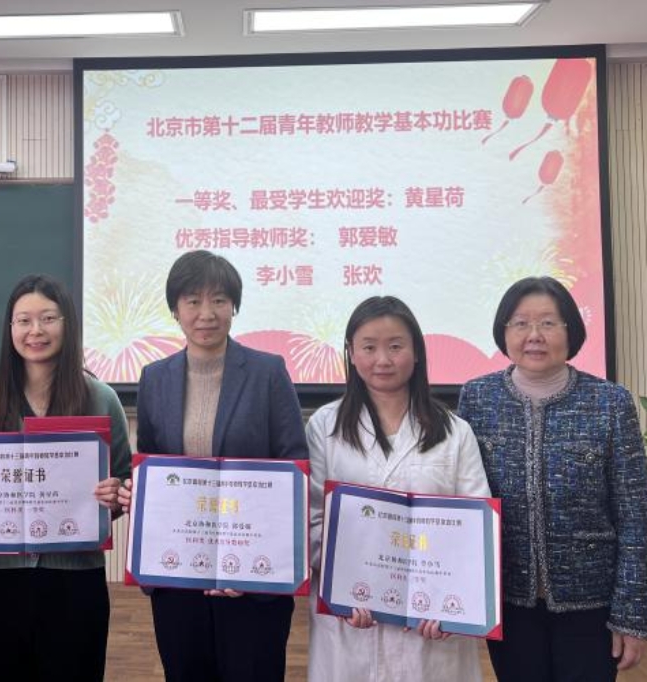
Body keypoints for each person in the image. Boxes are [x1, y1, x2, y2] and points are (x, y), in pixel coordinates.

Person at [0, 273, 131, 682]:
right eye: (24, 320)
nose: (35, 330)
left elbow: (124, 478)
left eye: (48, 318)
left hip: (75, 578)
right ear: (10, 329)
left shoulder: (101, 398)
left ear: (67, 324)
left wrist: (115, 496)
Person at [123, 250, 308, 682]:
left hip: (252, 581)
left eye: (219, 300)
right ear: (175, 309)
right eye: (193, 301)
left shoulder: (267, 372)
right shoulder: (154, 378)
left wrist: (254, 564)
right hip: (179, 576)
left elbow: (293, 465)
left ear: (234, 307)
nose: (206, 313)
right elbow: (151, 465)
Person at [458, 276, 647, 681]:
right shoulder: (477, 398)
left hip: (592, 604)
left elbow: (636, 515)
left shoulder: (610, 403)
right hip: (509, 601)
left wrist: (631, 614)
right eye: (520, 323)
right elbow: (465, 501)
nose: (534, 335)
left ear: (570, 330)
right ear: (504, 331)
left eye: (548, 322)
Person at [306, 295, 490, 682]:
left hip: (431, 621)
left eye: (395, 346)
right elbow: (312, 517)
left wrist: (453, 602)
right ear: (350, 353)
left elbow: (475, 529)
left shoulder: (455, 432)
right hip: (351, 617)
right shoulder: (324, 426)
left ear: (417, 352)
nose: (383, 360)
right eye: (368, 347)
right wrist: (346, 582)